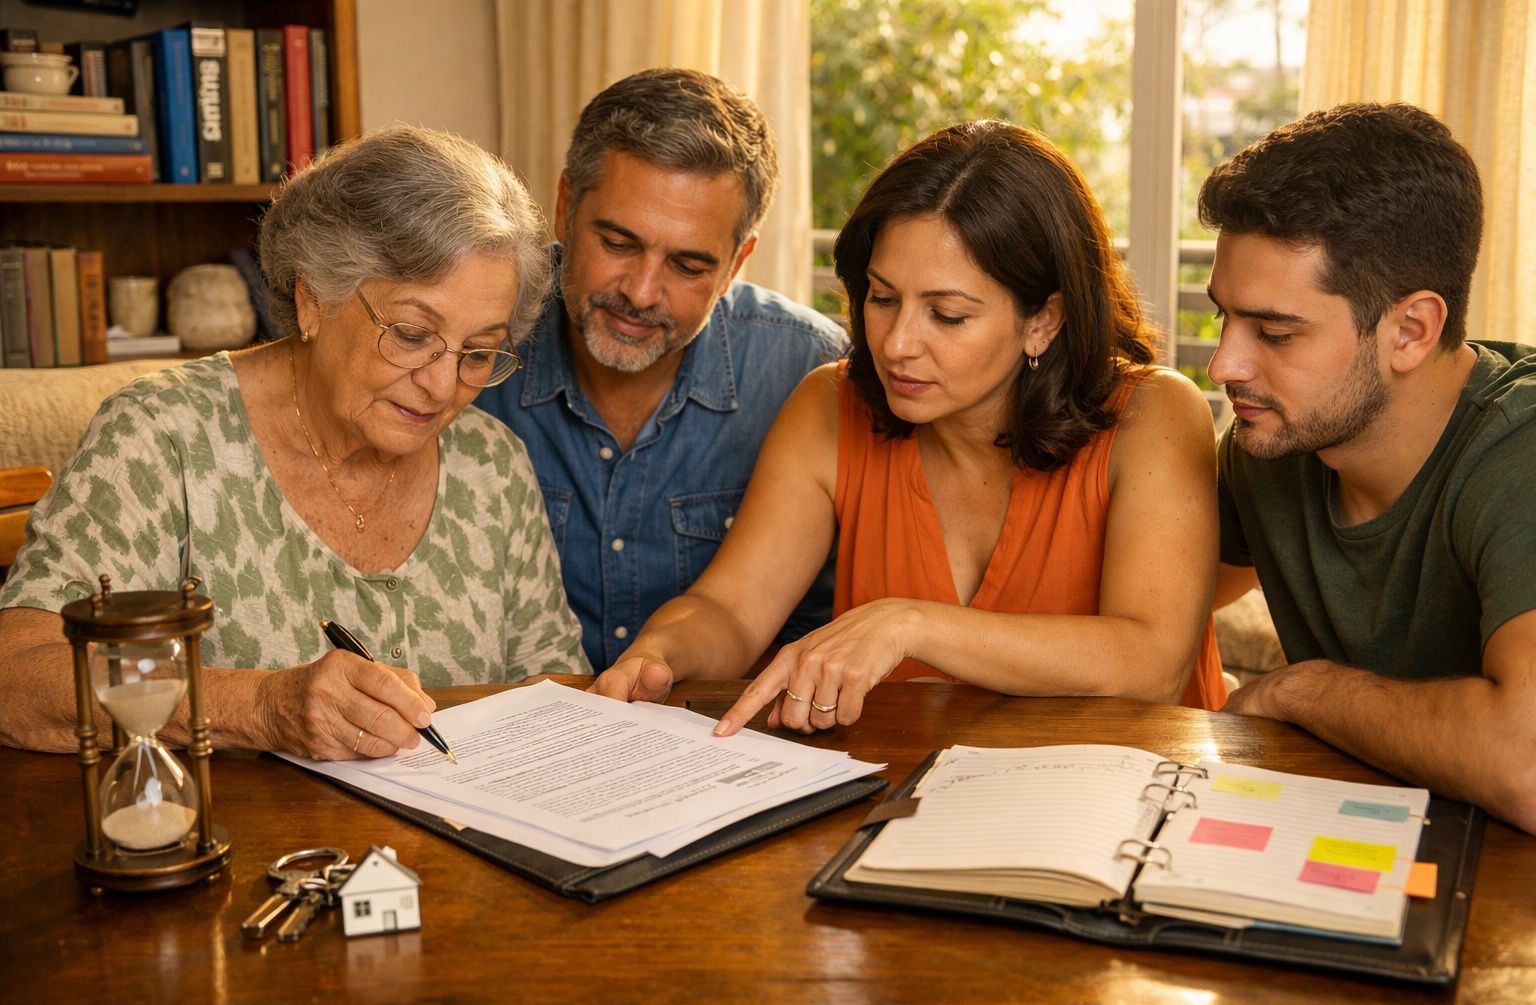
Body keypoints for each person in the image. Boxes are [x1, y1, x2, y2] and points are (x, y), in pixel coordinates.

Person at [593, 120, 1227, 730]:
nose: (896, 345)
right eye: (883, 298)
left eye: (946, 315)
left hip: (1139, 790)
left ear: (1043, 320)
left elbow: (1152, 665)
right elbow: (729, 610)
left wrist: (910, 625)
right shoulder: (830, 404)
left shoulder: (1155, 415)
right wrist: (659, 654)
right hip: (911, 787)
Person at [0, 126, 588, 759]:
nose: (443, 386)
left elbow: (555, 691)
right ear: (314, 298)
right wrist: (258, 705)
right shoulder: (162, 436)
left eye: (477, 352)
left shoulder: (493, 463)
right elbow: (17, 677)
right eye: (412, 334)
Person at [1200, 102, 1536, 834]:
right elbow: (1155, 609)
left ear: (1410, 330)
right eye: (1224, 317)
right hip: (1364, 843)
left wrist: (1303, 690)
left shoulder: (1520, 455)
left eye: (1275, 332)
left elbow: (1529, 766)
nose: (1225, 365)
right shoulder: (1275, 442)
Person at [474, 68, 845, 672]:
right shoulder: (477, 338)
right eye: (618, 244)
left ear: (736, 264)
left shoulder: (811, 368)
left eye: (688, 266)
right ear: (565, 206)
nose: (641, 293)